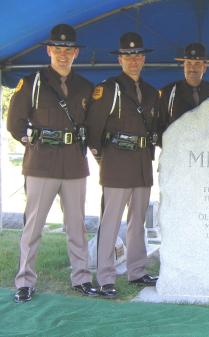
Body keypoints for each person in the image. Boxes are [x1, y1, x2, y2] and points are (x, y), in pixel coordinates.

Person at [7, 23, 96, 302]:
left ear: (75, 53)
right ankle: (24, 280)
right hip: (41, 164)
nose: (63, 54)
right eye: (58, 49)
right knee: (33, 226)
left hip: (73, 165)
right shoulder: (32, 83)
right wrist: (28, 139)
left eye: (68, 49)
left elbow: (91, 125)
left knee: (77, 226)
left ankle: (81, 277)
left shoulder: (85, 87)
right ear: (49, 50)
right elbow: (15, 122)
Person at [85, 32, 160, 298]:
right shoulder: (109, 88)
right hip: (116, 163)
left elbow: (155, 129)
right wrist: (102, 159)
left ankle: (137, 271)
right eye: (128, 56)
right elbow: (93, 128)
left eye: (138, 56)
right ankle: (105, 277)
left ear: (143, 60)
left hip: (142, 164)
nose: (133, 60)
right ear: (120, 59)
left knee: (138, 221)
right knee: (111, 221)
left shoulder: (152, 92)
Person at [159, 42, 209, 134]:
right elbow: (160, 126)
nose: (192, 68)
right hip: (177, 147)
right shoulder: (169, 92)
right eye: (188, 63)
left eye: (197, 63)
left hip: (206, 148)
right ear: (183, 66)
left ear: (204, 68)